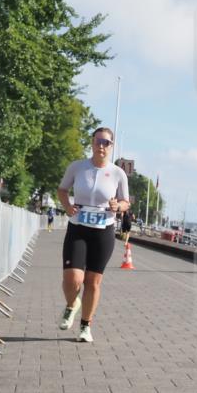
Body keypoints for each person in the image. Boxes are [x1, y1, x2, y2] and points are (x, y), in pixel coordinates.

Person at [56, 127, 129, 343]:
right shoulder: (78, 167)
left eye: (106, 143)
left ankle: (85, 326)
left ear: (111, 146)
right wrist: (67, 206)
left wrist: (118, 206)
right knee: (72, 278)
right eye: (98, 141)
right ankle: (72, 304)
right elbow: (62, 190)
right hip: (78, 227)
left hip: (103, 231)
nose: (101, 146)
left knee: (92, 281)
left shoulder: (118, 173)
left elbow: (126, 202)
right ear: (92, 142)